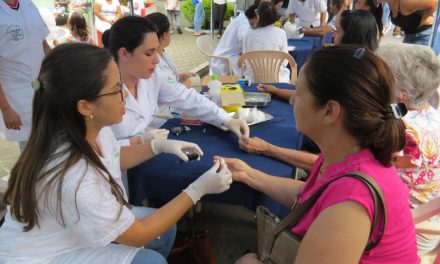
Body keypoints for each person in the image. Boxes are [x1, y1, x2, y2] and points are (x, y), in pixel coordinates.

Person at [0, 43, 233, 263]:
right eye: (115, 90)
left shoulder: (89, 128)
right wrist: (198, 189)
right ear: (85, 106)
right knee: (150, 258)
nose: (126, 95)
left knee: (164, 229)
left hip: (70, 230)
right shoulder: (73, 175)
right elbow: (139, 234)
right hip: (39, 256)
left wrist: (157, 147)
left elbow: (114, 157)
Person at [220, 45, 419, 263]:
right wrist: (249, 175)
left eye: (300, 93)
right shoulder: (349, 151)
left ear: (329, 111)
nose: (292, 100)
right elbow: (310, 194)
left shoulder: (351, 205)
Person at [104, 16, 249, 144]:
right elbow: (98, 151)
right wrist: (136, 142)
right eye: (149, 53)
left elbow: (185, 96)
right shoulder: (101, 91)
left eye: (156, 51)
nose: (157, 59)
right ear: (124, 54)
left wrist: (225, 119)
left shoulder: (152, 76)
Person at [377, 43, 440, 256]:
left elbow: (357, 169)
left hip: (405, 228)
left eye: (384, 79)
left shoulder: (404, 131)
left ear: (401, 96)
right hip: (427, 220)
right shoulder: (431, 114)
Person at [0, 0, 51, 152]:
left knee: (51, 139)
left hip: (43, 87)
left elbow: (44, 45)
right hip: (16, 95)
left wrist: (61, 68)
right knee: (30, 149)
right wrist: (6, 109)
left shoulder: (29, 5)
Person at [242, 1, 290, 83]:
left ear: (258, 15)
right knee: (286, 72)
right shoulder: (281, 33)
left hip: (253, 81)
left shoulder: (247, 34)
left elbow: (245, 59)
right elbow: (285, 62)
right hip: (277, 81)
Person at [147, 12, 197, 84]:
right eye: (169, 30)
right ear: (164, 35)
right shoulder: (154, 65)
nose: (170, 33)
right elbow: (169, 88)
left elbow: (169, 79)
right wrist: (187, 84)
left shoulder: (162, 53)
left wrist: (181, 77)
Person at [210, 3, 259, 76]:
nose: (258, 23)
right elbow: (246, 43)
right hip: (224, 60)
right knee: (252, 65)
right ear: (256, 17)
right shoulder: (243, 24)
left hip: (228, 55)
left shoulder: (243, 18)